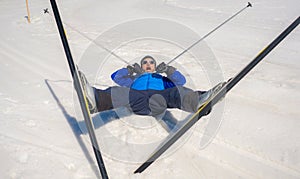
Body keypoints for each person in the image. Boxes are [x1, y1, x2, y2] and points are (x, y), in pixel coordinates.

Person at [79, 55, 225, 131]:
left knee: (175, 92)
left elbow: (180, 82)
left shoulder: (161, 79)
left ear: (155, 67)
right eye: (145, 63)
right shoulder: (134, 79)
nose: (148, 64)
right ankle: (97, 101)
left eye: (151, 63)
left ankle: (198, 100)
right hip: (138, 100)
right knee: (123, 92)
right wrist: (130, 71)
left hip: (159, 100)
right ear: (141, 67)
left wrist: (169, 70)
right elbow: (115, 77)